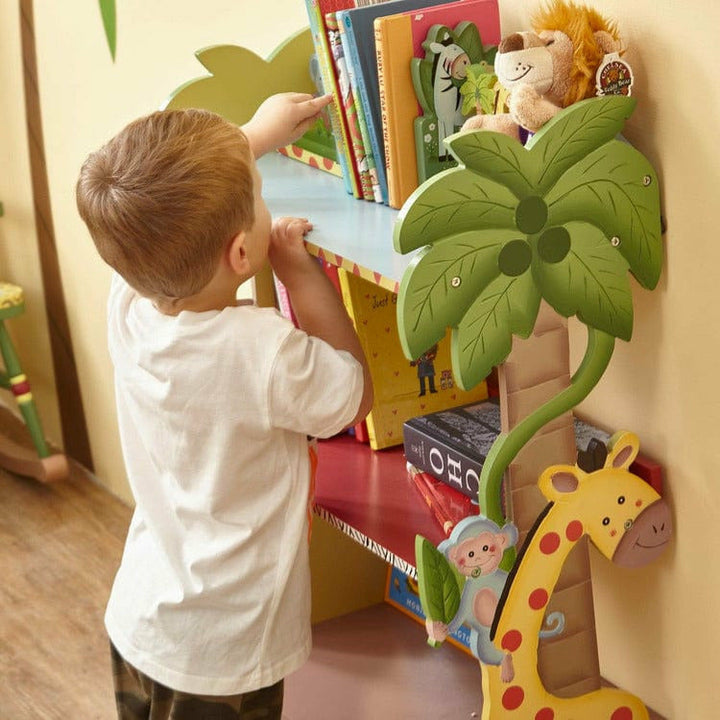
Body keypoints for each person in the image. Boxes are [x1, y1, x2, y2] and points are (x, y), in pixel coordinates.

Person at [76, 93, 374, 719]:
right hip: (224, 653)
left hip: (143, 617)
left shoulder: (130, 301)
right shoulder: (261, 351)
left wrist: (255, 135)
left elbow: (157, 206)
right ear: (242, 254)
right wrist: (299, 275)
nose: (265, 200)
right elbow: (353, 394)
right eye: (260, 194)